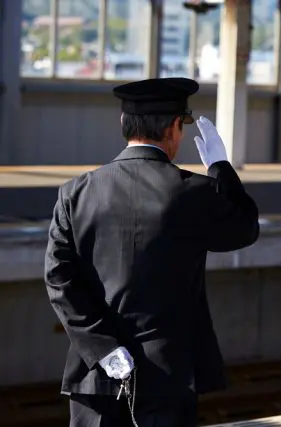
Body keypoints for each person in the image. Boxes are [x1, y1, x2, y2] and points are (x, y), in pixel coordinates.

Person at [44, 77, 260, 427]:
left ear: (123, 124)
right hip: (167, 376)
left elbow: (59, 280)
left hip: (94, 376)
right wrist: (221, 168)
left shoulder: (76, 192)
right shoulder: (193, 192)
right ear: (175, 128)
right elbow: (244, 228)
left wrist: (103, 348)